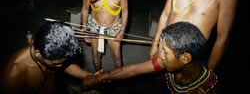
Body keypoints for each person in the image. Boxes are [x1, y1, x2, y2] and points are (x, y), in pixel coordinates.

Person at [82, 22, 219, 93]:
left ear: (185, 58)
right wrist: (98, 78)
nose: (161, 56)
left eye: (165, 52)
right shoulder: (170, 62)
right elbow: (134, 70)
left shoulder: (207, 90)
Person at [0, 21, 96, 94]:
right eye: (56, 64)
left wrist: (89, 76)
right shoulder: (14, 72)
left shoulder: (51, 51)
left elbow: (65, 65)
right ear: (38, 54)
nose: (60, 66)